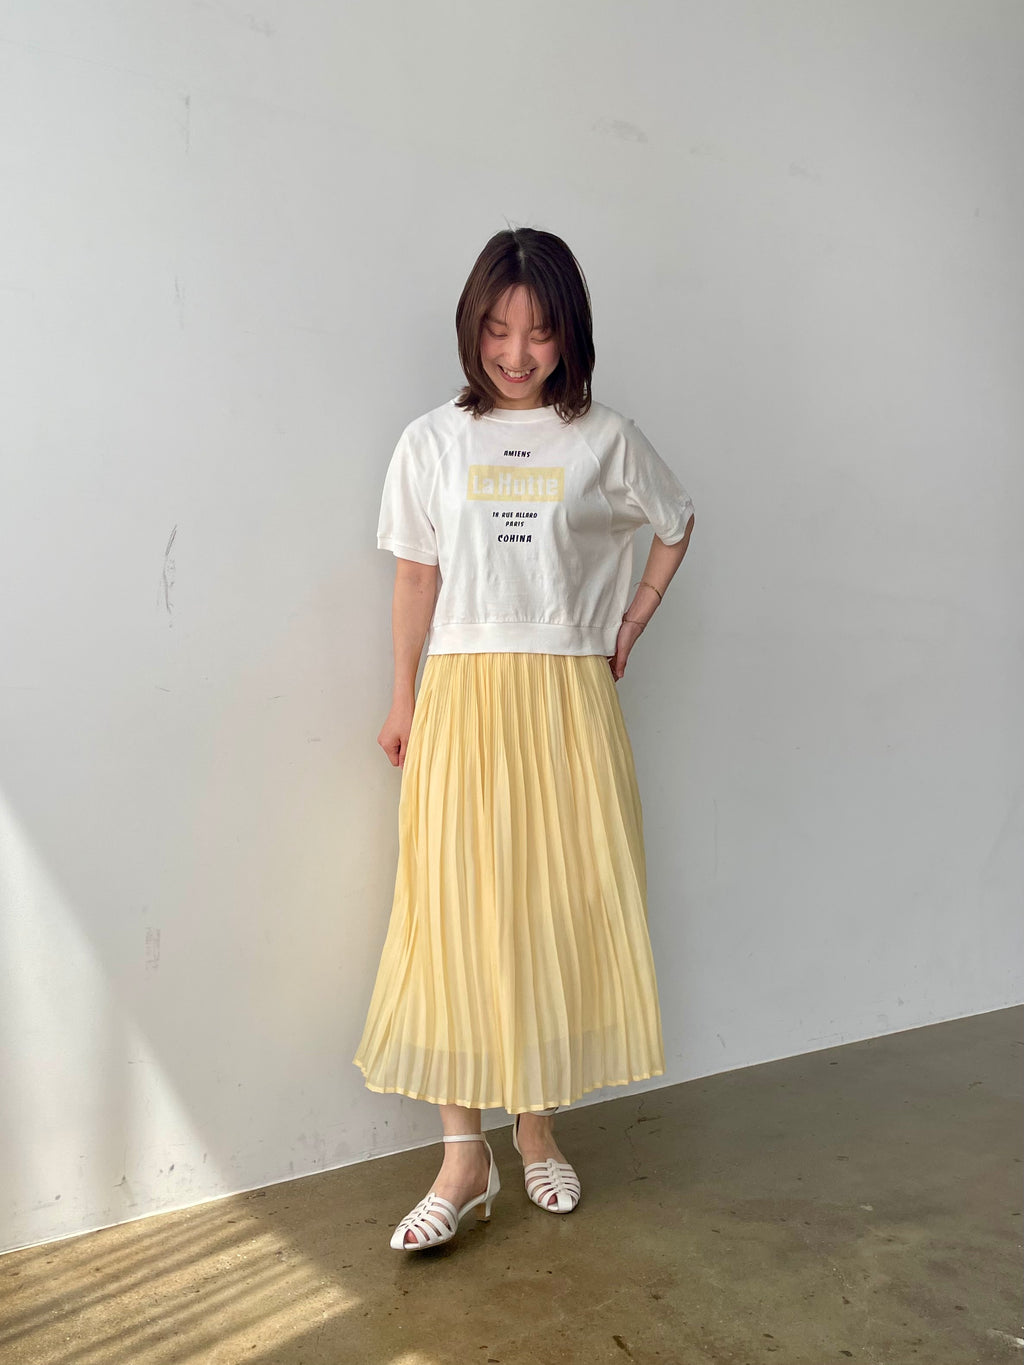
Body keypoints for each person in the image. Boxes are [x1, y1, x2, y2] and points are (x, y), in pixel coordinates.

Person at [353, 227, 695, 1251]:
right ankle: (463, 1157)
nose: (514, 353)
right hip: (460, 694)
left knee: (553, 904)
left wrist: (631, 619)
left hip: (566, 697)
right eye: (497, 330)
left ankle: (537, 1131)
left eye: (538, 333)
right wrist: (403, 698)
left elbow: (674, 519)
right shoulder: (431, 441)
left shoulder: (601, 438)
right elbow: (416, 575)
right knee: (452, 910)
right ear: (472, 326)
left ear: (568, 335)